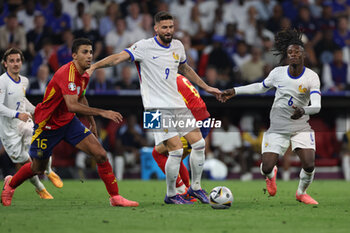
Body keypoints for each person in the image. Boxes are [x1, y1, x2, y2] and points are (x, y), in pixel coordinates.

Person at [90, 11, 221, 204]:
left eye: (171, 27)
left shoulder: (178, 46)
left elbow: (185, 68)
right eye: (165, 27)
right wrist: (94, 67)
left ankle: (195, 188)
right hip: (155, 109)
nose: (169, 31)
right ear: (156, 28)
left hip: (177, 104)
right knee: (175, 151)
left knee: (199, 144)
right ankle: (171, 194)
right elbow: (118, 58)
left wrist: (207, 87)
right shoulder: (143, 47)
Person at [1, 39, 139, 207]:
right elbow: (72, 104)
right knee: (37, 168)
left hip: (68, 121)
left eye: (90, 52)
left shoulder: (85, 73)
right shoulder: (66, 73)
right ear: (74, 55)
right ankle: (11, 184)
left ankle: (115, 197)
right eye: (84, 52)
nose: (89, 56)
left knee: (101, 154)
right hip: (47, 125)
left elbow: (81, 96)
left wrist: (92, 122)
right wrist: (103, 112)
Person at [221, 29, 321, 205]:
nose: (293, 55)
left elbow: (317, 106)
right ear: (287, 55)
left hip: (300, 125)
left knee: (309, 164)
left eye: (297, 52)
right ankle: (271, 175)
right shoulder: (278, 73)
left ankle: (301, 192)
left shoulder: (312, 77)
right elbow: (260, 87)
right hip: (278, 126)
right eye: (290, 52)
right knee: (266, 167)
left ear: (303, 54)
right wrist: (235, 91)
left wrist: (304, 111)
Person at [0, 48, 62, 201]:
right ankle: (40, 188)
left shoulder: (24, 80)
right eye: (12, 61)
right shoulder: (2, 81)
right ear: (5, 63)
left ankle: (48, 170)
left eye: (18, 60)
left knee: (38, 141)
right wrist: (17, 114)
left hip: (24, 122)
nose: (15, 64)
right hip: (8, 130)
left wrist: (36, 111)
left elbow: (22, 101)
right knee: (25, 163)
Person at [152, 74, 212, 201]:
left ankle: (180, 190)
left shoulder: (163, 81)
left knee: (159, 153)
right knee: (176, 156)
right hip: (203, 119)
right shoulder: (177, 76)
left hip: (194, 121)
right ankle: (188, 189)